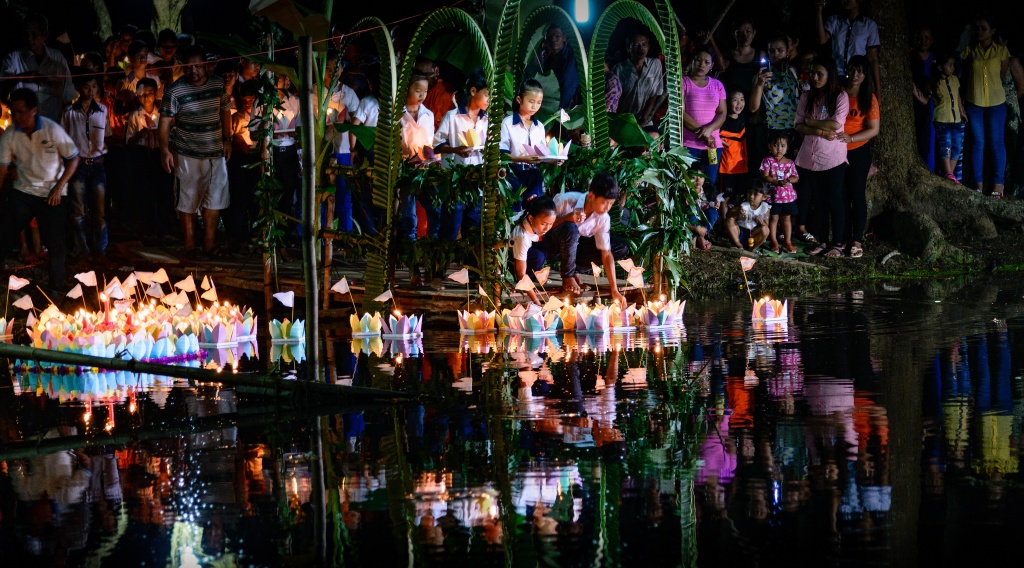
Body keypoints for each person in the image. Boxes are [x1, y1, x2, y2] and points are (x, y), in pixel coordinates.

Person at [0, 88, 80, 289]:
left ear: (33, 110)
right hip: (23, 191)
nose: (16, 117)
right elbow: (2, 169)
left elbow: (73, 158)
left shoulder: (52, 130)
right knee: (3, 233)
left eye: (21, 112)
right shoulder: (10, 134)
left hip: (51, 192)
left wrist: (59, 186)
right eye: (13, 113)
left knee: (55, 243)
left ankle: (56, 289)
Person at [159, 45, 233, 260]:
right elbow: (164, 122)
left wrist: (227, 139)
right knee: (187, 199)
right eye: (189, 67)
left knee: (215, 199)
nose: (194, 71)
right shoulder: (174, 90)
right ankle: (190, 245)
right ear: (183, 67)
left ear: (205, 65)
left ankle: (209, 245)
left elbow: (225, 110)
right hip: (187, 152)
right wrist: (165, 150)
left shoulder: (218, 83)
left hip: (215, 152)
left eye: (198, 66)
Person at [527, 173, 629, 303]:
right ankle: (568, 276)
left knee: (620, 247)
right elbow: (540, 229)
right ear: (591, 196)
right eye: (604, 203)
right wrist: (566, 218)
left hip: (575, 250)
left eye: (610, 204)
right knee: (571, 229)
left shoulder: (603, 218)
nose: (607, 208)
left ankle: (573, 269)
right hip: (550, 244)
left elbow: (606, 253)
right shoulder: (566, 201)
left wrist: (614, 289)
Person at [794, 56, 849, 257]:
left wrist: (811, 122)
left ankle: (837, 244)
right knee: (818, 201)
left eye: (820, 74)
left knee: (834, 199)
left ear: (830, 75)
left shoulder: (840, 96)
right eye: (813, 73)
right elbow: (798, 125)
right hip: (810, 157)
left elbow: (835, 124)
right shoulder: (806, 97)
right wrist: (818, 131)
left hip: (833, 156)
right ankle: (823, 241)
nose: (815, 78)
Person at [433, 68, 489, 237]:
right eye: (487, 94)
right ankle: (442, 260)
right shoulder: (453, 116)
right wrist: (456, 150)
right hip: (454, 182)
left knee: (472, 227)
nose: (490, 100)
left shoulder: (488, 120)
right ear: (473, 91)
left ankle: (466, 263)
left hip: (477, 183)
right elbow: (437, 145)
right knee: (450, 225)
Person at [961, 13, 1009, 197]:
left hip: (996, 103)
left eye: (984, 28)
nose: (980, 32)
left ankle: (999, 185)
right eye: (978, 28)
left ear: (993, 31)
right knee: (978, 143)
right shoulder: (970, 50)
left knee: (997, 142)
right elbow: (961, 66)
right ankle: (978, 185)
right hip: (975, 103)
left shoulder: (1001, 51)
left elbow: (1002, 74)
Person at [61, 73, 108, 258]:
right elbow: (63, 140)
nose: (90, 91)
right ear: (79, 89)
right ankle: (82, 249)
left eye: (94, 87)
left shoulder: (103, 111)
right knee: (78, 210)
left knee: (100, 210)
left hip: (97, 164)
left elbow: (107, 137)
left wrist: (102, 148)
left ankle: (100, 249)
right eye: (87, 87)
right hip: (77, 165)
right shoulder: (69, 113)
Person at [838, 55, 879, 259]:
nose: (855, 75)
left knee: (856, 195)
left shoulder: (868, 98)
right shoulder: (838, 91)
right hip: (835, 151)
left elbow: (873, 129)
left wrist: (851, 138)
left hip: (858, 150)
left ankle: (857, 240)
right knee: (841, 195)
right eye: (853, 69)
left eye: (860, 71)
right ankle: (843, 238)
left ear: (865, 75)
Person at [1, 13, 77, 121]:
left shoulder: (58, 59)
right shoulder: (13, 59)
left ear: (45, 35)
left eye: (34, 35)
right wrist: (22, 77)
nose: (30, 39)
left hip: (52, 128)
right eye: (26, 35)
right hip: (24, 129)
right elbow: (3, 88)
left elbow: (67, 98)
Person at [125, 77, 174, 236]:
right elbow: (129, 140)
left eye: (150, 93)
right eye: (143, 94)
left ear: (155, 94)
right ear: (138, 96)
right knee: (145, 190)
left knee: (162, 190)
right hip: (141, 156)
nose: (147, 97)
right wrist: (143, 132)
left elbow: (169, 134)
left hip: (159, 155)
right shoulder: (135, 115)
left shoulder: (162, 114)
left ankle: (164, 226)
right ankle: (147, 226)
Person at [748, 33, 801, 170]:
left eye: (780, 50)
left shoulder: (794, 72)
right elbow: (753, 108)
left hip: (794, 131)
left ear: (787, 51)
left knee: (791, 174)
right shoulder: (761, 75)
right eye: (772, 51)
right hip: (772, 131)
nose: (776, 54)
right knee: (772, 174)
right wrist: (760, 84)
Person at [499, 79, 549, 210]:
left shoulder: (540, 127)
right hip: (513, 175)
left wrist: (553, 160)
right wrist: (522, 159)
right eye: (531, 102)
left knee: (533, 211)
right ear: (519, 100)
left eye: (539, 103)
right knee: (513, 212)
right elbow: (502, 155)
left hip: (534, 176)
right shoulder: (508, 123)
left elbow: (542, 153)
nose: (535, 107)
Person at [225, 80, 262, 253]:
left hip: (258, 160)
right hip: (240, 162)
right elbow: (232, 138)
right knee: (240, 200)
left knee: (256, 200)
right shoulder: (236, 118)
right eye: (245, 100)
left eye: (252, 100)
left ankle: (256, 235)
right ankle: (239, 236)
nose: (248, 104)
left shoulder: (262, 116)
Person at [682, 48, 727, 187]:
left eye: (706, 62)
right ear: (692, 61)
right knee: (687, 183)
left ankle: (708, 209)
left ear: (711, 65)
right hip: (689, 144)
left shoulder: (717, 85)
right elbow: (681, 113)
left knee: (709, 184)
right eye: (698, 60)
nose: (702, 64)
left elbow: (722, 113)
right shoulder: (683, 82)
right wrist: (704, 134)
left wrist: (709, 130)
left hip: (713, 145)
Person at [815, 0, 881, 94]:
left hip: (856, 77)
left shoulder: (869, 25)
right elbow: (822, 40)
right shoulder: (835, 20)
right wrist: (819, 11)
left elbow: (873, 59)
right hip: (836, 75)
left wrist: (878, 89)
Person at [926, 52, 968, 184]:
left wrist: (962, 112)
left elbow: (958, 97)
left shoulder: (955, 80)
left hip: (955, 120)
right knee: (946, 146)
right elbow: (925, 99)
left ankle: (950, 174)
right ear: (940, 67)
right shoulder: (934, 82)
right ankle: (949, 173)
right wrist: (914, 90)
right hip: (942, 120)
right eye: (949, 65)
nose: (952, 68)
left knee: (957, 146)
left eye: (953, 65)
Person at [511, 196, 559, 303]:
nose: (547, 228)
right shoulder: (522, 237)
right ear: (531, 218)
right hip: (515, 263)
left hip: (529, 249)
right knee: (537, 256)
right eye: (543, 224)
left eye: (550, 224)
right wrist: (536, 300)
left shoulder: (533, 223)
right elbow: (521, 275)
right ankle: (530, 280)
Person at [614, 31, 665, 127]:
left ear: (648, 46)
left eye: (644, 44)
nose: (641, 48)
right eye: (636, 45)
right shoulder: (619, 68)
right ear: (628, 48)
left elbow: (654, 95)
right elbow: (616, 98)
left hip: (645, 120)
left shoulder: (655, 64)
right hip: (624, 119)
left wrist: (644, 118)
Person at [760, 131, 799, 253]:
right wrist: (777, 182)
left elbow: (796, 177)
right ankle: (774, 241)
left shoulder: (790, 162)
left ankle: (787, 242)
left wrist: (788, 180)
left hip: (787, 197)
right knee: (774, 219)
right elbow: (764, 176)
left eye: (782, 146)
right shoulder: (768, 161)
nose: (779, 149)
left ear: (787, 148)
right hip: (772, 196)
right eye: (775, 145)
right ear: (769, 147)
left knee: (786, 218)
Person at [712, 18, 768, 95]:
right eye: (740, 31)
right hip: (733, 101)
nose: (744, 35)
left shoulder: (761, 55)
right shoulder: (728, 55)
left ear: (754, 33)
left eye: (748, 31)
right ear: (733, 33)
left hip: (755, 100)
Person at [718, 89, 750, 216]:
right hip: (726, 168)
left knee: (739, 197)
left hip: (741, 166)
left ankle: (735, 223)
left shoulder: (744, 118)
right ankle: (725, 225)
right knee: (725, 197)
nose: (739, 103)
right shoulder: (722, 119)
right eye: (735, 100)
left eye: (742, 99)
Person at [910, 26, 937, 171]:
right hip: (913, 102)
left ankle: (929, 170)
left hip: (929, 102)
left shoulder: (936, 59)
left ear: (932, 40)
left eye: (927, 37)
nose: (923, 40)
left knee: (929, 138)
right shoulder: (910, 57)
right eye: (920, 37)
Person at [540, 25, 580, 111]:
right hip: (551, 109)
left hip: (569, 109)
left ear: (564, 38)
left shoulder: (572, 57)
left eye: (557, 36)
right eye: (549, 36)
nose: (553, 39)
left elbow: (569, 86)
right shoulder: (547, 62)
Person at [724, 183, 771, 251]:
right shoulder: (743, 205)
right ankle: (739, 245)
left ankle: (753, 249)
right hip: (739, 232)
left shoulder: (765, 208)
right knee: (729, 220)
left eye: (755, 194)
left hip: (753, 234)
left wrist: (760, 222)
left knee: (765, 229)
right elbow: (728, 215)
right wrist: (737, 213)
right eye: (749, 193)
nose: (751, 196)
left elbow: (766, 224)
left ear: (764, 197)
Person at [414, 57, 456, 132]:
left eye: (423, 75)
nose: (419, 79)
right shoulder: (413, 89)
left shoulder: (444, 94)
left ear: (436, 71)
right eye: (415, 74)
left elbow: (441, 130)